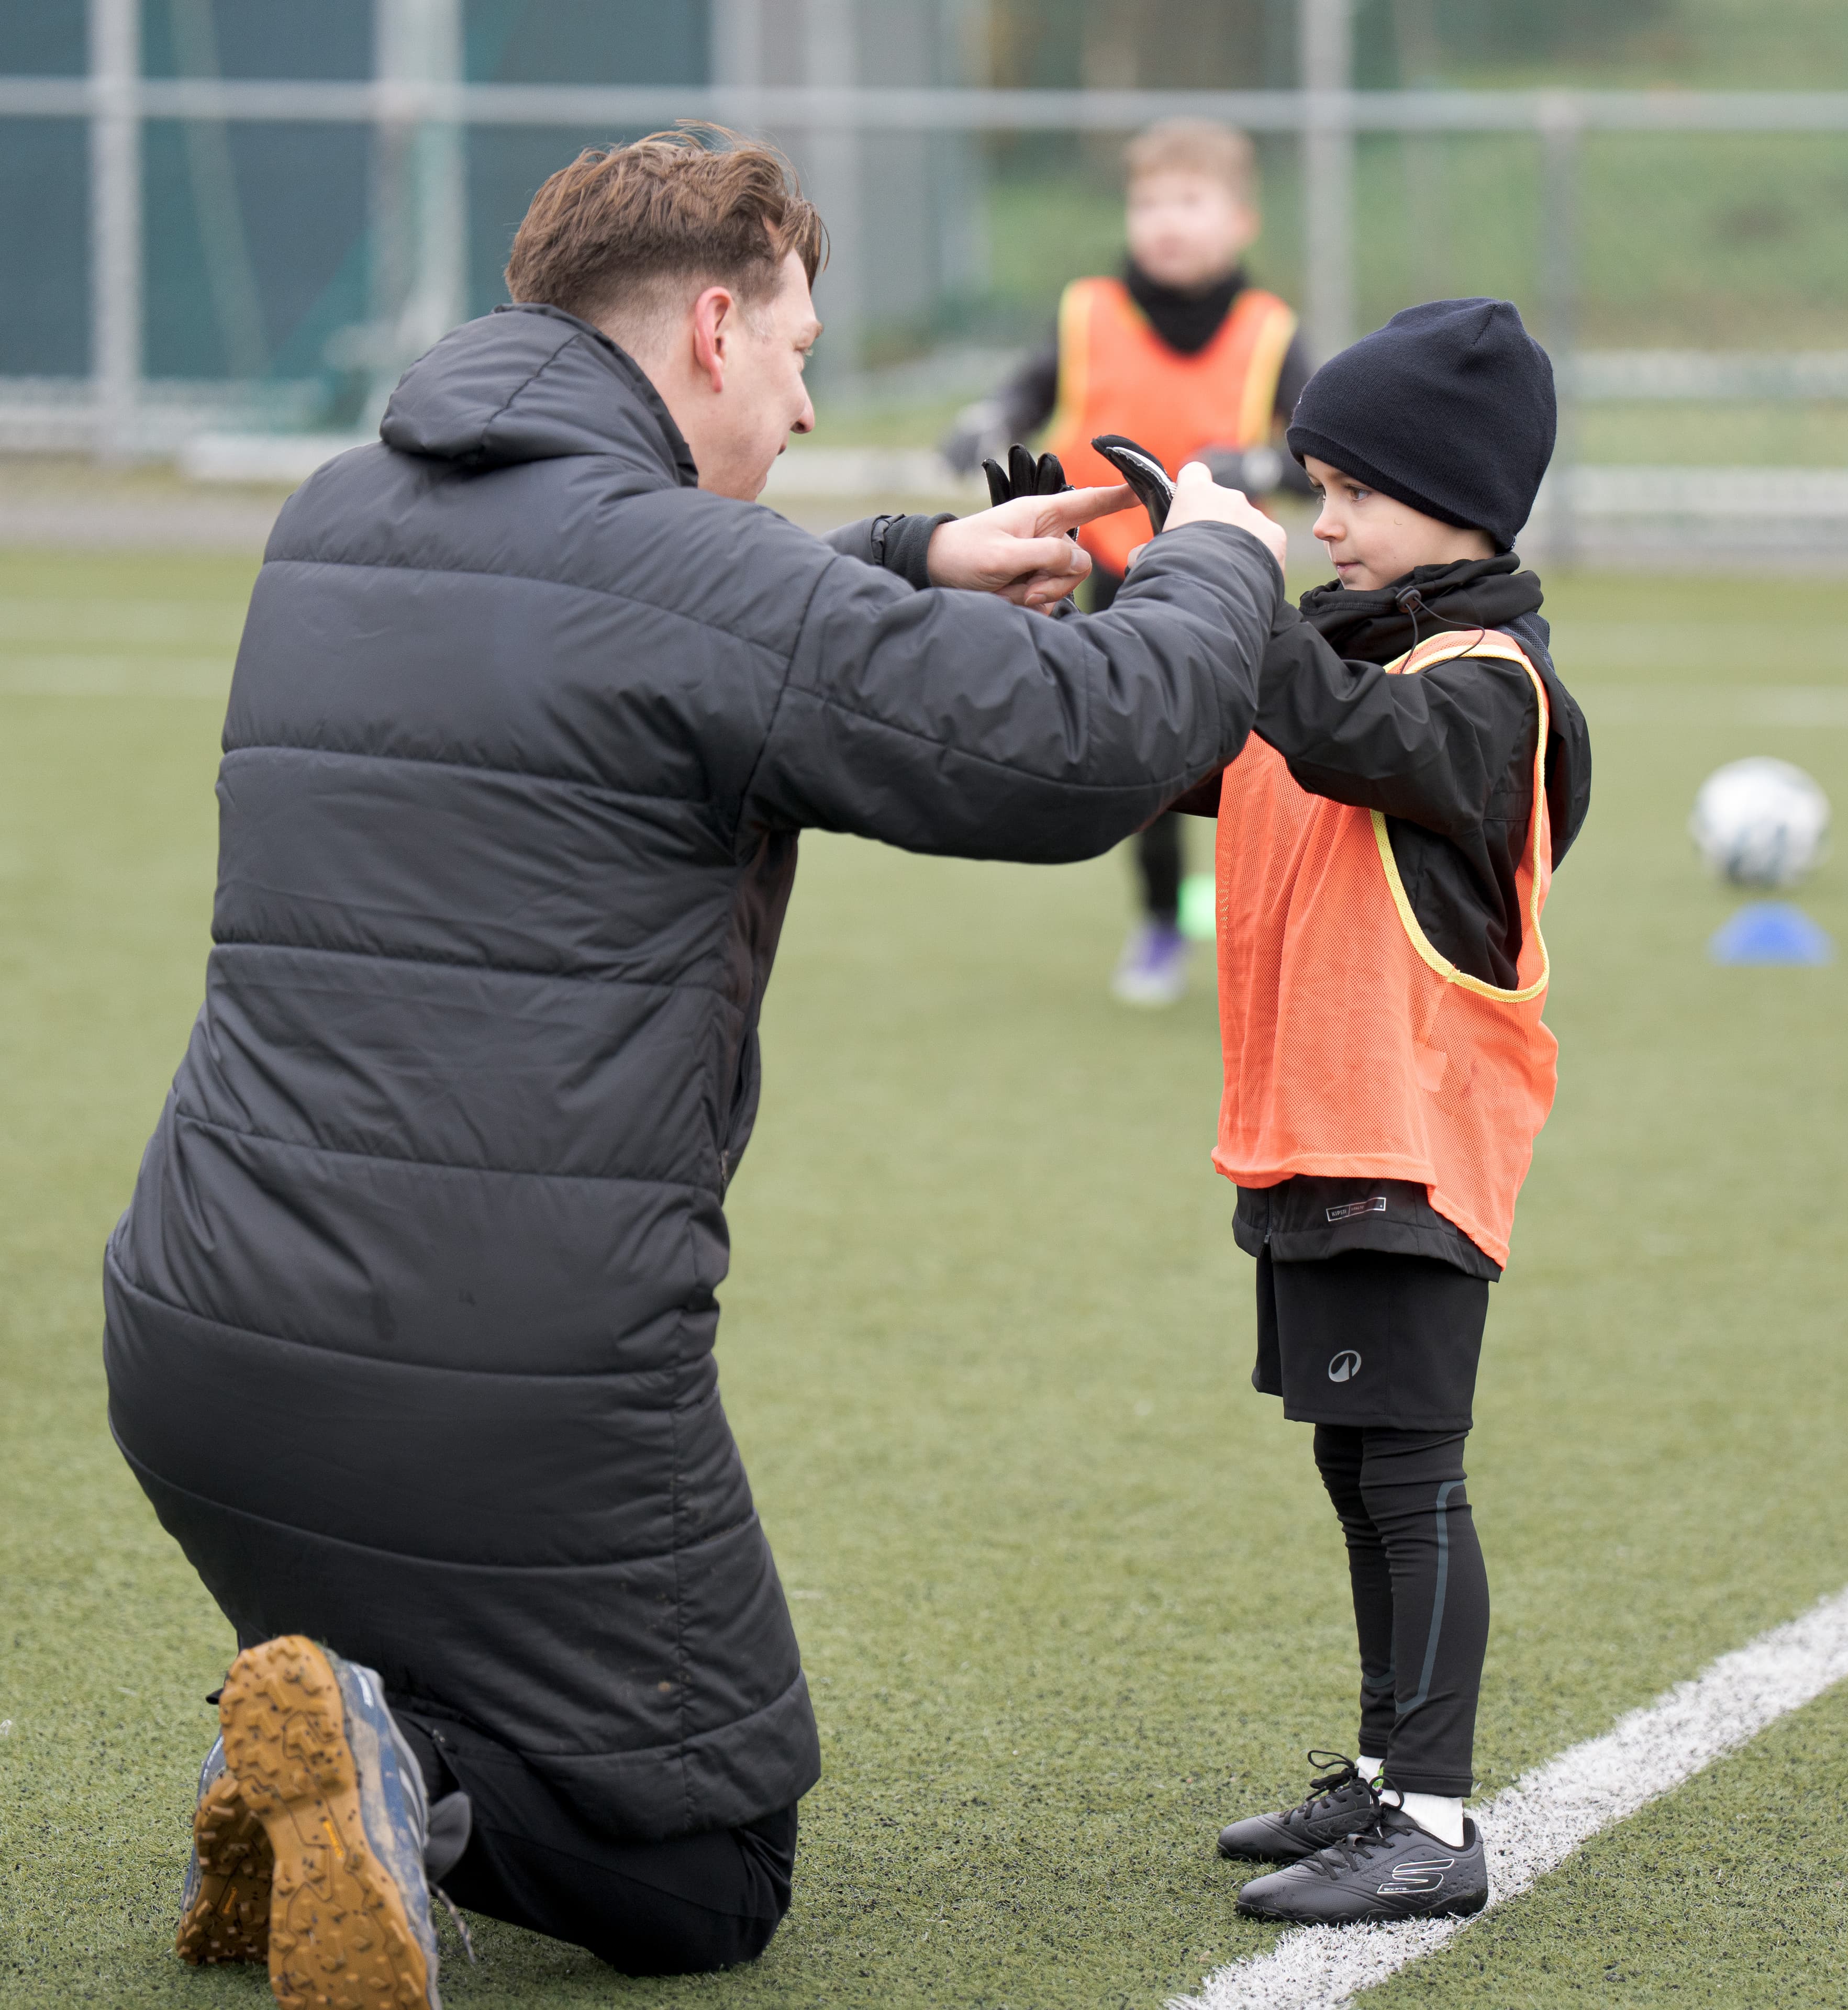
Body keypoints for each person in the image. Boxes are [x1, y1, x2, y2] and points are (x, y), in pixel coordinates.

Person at [105, 128, 1289, 2006]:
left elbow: (622, 617)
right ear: (715, 327)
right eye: (804, 352)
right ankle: (411, 1777)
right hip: (506, 1369)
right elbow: (1078, 752)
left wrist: (906, 562)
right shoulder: (696, 583)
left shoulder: (334, 509)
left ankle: (335, 1734)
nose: (813, 407)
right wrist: (1221, 565)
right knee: (714, 1876)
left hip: (198, 1345)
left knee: (480, 1651)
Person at [1175, 300, 1592, 1924]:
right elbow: (1194, 741)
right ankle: (1380, 1770)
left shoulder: (1490, 685)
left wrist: (1224, 578)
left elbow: (1356, 741)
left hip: (1409, 1148)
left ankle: (1430, 1817)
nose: (1324, 524)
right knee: (1359, 1469)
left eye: (1350, 493)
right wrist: (1110, 598)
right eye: (1312, 490)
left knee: (1412, 1478)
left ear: (1465, 501)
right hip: (1312, 1133)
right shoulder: (1346, 648)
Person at [943, 119, 1312, 1007]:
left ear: (1241, 221)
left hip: (1231, 578)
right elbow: (1027, 393)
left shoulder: (1269, 332)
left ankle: (1270, 929)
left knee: (1267, 761)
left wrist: (1257, 467)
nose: (1167, 221)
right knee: (1153, 760)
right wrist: (987, 421)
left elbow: (1315, 452)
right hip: (1110, 567)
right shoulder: (1088, 310)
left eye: (1191, 201)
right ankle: (1157, 925)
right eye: (1150, 202)